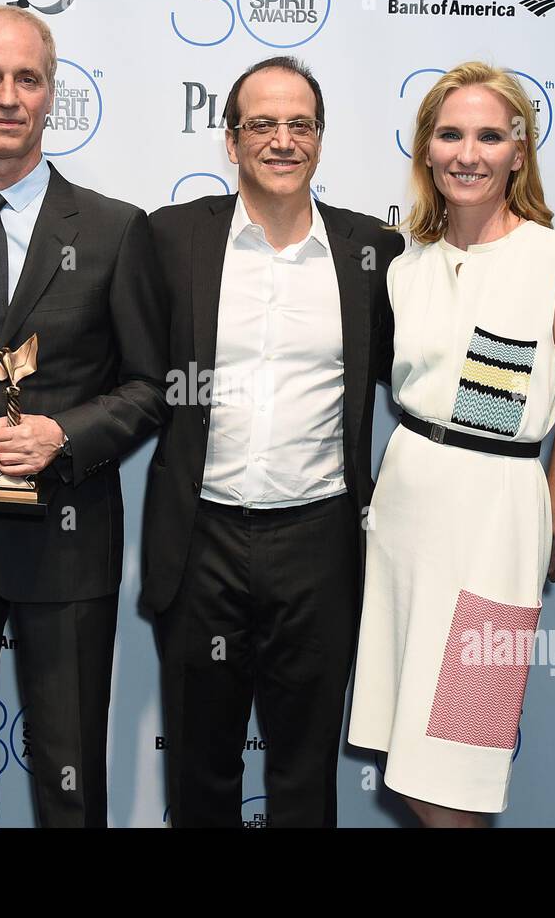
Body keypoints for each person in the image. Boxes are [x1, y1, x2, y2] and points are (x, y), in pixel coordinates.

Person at [0, 5, 167, 828]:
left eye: (27, 79)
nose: (8, 96)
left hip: (67, 540)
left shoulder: (117, 229)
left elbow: (154, 385)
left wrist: (64, 435)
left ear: (51, 95)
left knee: (70, 779)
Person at [143, 56, 405, 827]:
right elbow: (124, 374)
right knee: (199, 771)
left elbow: (420, 382)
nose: (282, 140)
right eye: (262, 124)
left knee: (303, 773)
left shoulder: (372, 252)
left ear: (321, 140)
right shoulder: (170, 239)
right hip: (200, 538)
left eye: (300, 125)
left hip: (320, 542)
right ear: (230, 141)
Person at [348, 62, 555, 827]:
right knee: (407, 756)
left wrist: (552, 522)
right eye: (450, 134)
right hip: (406, 514)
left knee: (463, 747)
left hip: (499, 521)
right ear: (425, 149)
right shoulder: (403, 266)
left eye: (491, 136)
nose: (469, 152)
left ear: (520, 152)